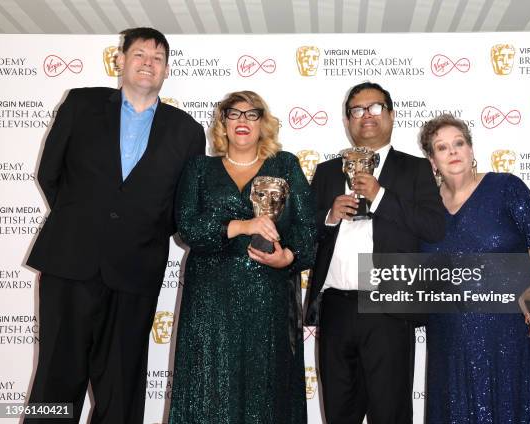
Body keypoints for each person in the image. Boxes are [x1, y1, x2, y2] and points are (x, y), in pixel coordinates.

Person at [24, 27, 205, 424]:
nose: (148, 64)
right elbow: (49, 173)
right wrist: (85, 224)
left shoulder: (187, 130)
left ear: (167, 70)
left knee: (121, 387)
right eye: (139, 54)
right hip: (69, 263)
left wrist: (132, 232)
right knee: (55, 376)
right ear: (120, 60)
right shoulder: (81, 104)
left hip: (136, 272)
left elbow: (183, 206)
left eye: (157, 59)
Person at [169, 90, 316, 424]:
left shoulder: (286, 165)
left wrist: (288, 258)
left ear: (263, 122)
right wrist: (239, 225)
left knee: (266, 388)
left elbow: (307, 229)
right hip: (210, 299)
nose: (242, 121)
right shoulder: (199, 168)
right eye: (234, 114)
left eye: (252, 114)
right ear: (222, 122)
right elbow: (187, 227)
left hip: (269, 296)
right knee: (209, 388)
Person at [305, 82, 445, 424]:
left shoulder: (416, 169)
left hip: (389, 304)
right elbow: (303, 235)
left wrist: (381, 195)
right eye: (357, 110)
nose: (366, 116)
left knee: (391, 412)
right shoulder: (326, 172)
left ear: (392, 114)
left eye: (375, 108)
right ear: (347, 120)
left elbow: (434, 227)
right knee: (339, 411)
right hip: (335, 306)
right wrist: (329, 216)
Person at [418, 114, 530, 424]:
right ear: (432, 161)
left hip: (512, 332)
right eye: (442, 147)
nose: (453, 152)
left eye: (459, 143)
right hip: (450, 338)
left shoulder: (506, 187)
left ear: (472, 150)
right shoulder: (424, 207)